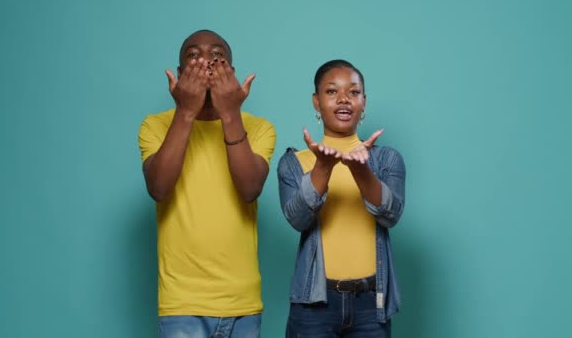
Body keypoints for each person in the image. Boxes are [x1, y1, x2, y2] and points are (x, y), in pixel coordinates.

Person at [138, 29, 276, 338]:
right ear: (179, 75)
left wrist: (230, 113)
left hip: (242, 302)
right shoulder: (155, 125)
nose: (206, 62)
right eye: (194, 56)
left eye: (217, 56)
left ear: (231, 73)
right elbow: (158, 188)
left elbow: (250, 188)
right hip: (182, 302)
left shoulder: (259, 128)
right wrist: (186, 111)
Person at [277, 59, 406, 337]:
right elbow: (298, 219)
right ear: (316, 101)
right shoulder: (294, 163)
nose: (344, 99)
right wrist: (322, 167)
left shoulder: (385, 160)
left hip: (371, 304)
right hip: (314, 305)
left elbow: (391, 214)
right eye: (332, 91)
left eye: (354, 92)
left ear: (364, 102)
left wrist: (361, 170)